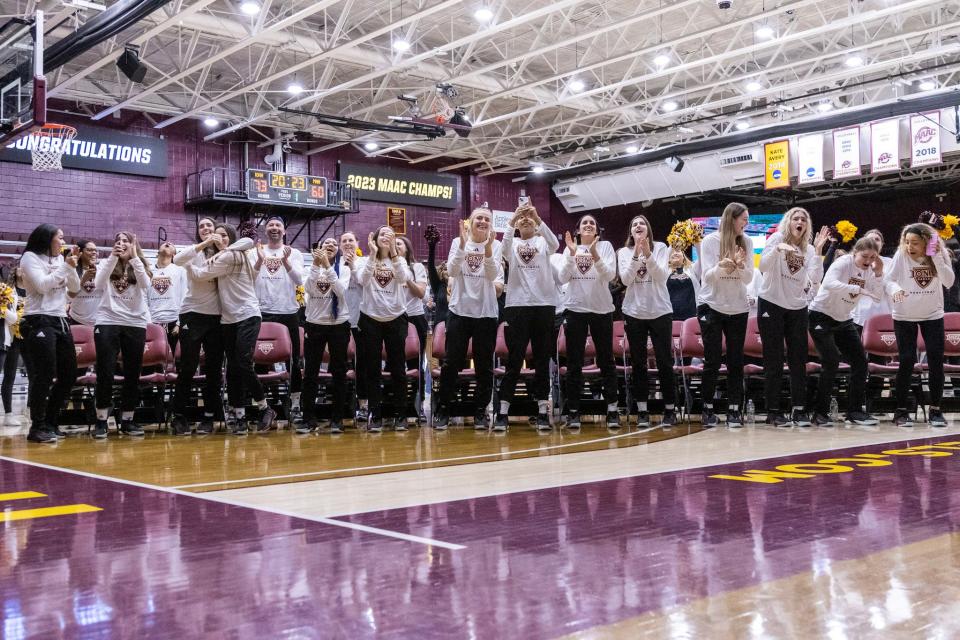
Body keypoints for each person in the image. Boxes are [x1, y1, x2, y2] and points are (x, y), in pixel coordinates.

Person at [187, 223, 276, 435]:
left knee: (243, 363)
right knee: (234, 368)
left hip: (248, 314)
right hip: (228, 319)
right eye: (216, 235)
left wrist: (188, 264)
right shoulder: (223, 256)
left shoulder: (232, 254)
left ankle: (265, 408)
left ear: (230, 238)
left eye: (224, 235)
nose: (220, 238)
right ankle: (239, 416)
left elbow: (247, 242)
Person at [433, 207, 503, 430]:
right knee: (451, 363)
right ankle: (444, 408)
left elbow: (492, 276)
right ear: (471, 222)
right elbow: (452, 271)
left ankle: (481, 411)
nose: (482, 221)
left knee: (484, 366)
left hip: (486, 314)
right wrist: (463, 245)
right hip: (459, 312)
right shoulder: (458, 241)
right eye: (479, 218)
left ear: (491, 225)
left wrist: (489, 249)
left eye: (487, 219)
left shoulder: (497, 245)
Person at [495, 203, 559, 432]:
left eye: (528, 219)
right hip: (517, 306)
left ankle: (543, 410)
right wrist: (513, 219)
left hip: (543, 305)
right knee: (514, 361)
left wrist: (537, 216)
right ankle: (502, 411)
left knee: (542, 360)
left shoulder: (543, 242)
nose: (525, 220)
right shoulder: (512, 245)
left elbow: (555, 243)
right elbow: (502, 248)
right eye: (522, 219)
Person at [756, 207, 823, 427]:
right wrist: (777, 249)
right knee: (774, 360)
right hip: (771, 303)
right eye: (796, 218)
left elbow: (814, 278)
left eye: (804, 219)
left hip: (797, 307)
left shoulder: (809, 250)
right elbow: (763, 267)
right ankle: (773, 411)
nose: (800, 221)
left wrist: (819, 252)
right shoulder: (776, 238)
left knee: (798, 360)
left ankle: (799, 409)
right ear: (788, 222)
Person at [884, 222, 955, 427]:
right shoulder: (901, 255)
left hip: (932, 314)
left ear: (926, 243)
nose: (909, 246)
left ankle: (935, 409)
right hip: (904, 315)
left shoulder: (938, 255)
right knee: (906, 360)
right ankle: (901, 411)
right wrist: (895, 289)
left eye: (914, 242)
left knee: (935, 360)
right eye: (907, 242)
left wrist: (936, 257)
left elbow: (949, 281)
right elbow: (888, 280)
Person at [808, 236, 883, 427]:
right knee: (831, 361)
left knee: (860, 362)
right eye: (865, 256)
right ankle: (820, 413)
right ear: (855, 252)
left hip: (843, 319)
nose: (868, 261)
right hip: (820, 315)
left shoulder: (870, 270)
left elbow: (877, 296)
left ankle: (855, 411)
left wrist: (879, 273)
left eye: (872, 257)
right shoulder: (843, 262)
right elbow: (829, 283)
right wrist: (857, 288)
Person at [19, 223, 81, 443]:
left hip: (60, 320)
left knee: (69, 374)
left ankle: (52, 422)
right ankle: (37, 426)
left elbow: (74, 289)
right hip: (38, 319)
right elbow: (42, 286)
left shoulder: (59, 260)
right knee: (44, 374)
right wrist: (65, 267)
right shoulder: (29, 258)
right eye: (60, 238)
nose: (63, 242)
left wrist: (71, 267)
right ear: (47, 239)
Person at [558, 214, 618, 428]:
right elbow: (562, 278)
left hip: (601, 310)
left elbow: (610, 275)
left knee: (606, 361)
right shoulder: (570, 248)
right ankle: (573, 411)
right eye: (584, 222)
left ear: (597, 231)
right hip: (575, 310)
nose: (589, 225)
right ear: (578, 230)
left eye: (592, 223)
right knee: (574, 363)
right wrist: (571, 255)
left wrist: (595, 255)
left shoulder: (606, 247)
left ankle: (612, 409)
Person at [697, 202, 754, 428]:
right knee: (712, 360)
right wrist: (723, 265)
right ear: (732, 218)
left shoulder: (747, 242)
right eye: (744, 219)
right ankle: (707, 409)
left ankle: (733, 411)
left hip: (738, 308)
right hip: (711, 305)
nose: (746, 223)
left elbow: (749, 278)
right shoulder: (711, 241)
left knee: (735, 361)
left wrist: (739, 267)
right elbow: (708, 277)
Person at [618, 215, 677, 428]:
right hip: (634, 312)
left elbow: (661, 276)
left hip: (660, 311)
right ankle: (642, 410)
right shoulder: (623, 252)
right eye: (634, 224)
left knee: (664, 362)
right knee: (639, 364)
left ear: (648, 229)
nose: (638, 226)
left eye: (642, 223)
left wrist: (648, 254)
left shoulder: (661, 248)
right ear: (631, 232)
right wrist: (636, 255)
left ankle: (670, 409)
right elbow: (625, 279)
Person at [91, 232, 152, 439]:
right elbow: (98, 284)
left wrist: (134, 258)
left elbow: (147, 286)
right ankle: (101, 420)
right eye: (118, 240)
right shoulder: (106, 263)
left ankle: (128, 419)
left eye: (126, 240)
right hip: (108, 321)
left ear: (134, 245)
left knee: (133, 373)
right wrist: (113, 257)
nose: (121, 243)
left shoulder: (140, 263)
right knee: (105, 371)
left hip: (135, 323)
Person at [171, 217, 225, 436]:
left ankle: (209, 417)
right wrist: (203, 245)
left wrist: (218, 246)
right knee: (188, 367)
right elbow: (176, 260)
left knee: (213, 369)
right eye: (202, 226)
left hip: (216, 316)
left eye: (209, 226)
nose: (205, 229)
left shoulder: (224, 254)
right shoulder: (192, 251)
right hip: (192, 314)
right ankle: (179, 416)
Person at [356, 226, 412, 432]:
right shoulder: (365, 260)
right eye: (382, 234)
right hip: (370, 319)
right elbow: (362, 280)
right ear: (375, 238)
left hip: (396, 318)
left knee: (398, 369)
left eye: (391, 234)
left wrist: (395, 254)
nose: (386, 237)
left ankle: (401, 415)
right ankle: (375, 414)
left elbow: (404, 278)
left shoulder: (400, 261)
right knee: (372, 370)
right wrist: (371, 255)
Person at [297, 238, 351, 434]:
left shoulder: (344, 268)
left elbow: (340, 291)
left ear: (338, 250)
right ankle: (308, 418)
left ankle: (337, 419)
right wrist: (316, 265)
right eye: (326, 243)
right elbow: (308, 290)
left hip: (339, 324)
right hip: (315, 324)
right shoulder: (309, 268)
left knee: (339, 372)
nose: (330, 245)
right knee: (310, 372)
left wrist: (328, 266)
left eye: (334, 244)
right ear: (319, 248)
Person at [254, 216, 305, 419]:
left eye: (278, 225)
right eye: (270, 225)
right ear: (265, 230)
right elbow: (250, 278)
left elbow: (300, 280)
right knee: (259, 361)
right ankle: (265, 407)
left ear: (284, 231)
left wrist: (285, 262)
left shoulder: (296, 253)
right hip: (262, 311)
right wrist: (258, 260)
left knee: (294, 361)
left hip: (288, 311)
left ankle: (294, 404)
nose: (274, 228)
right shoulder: (256, 252)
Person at [396, 235, 429, 418]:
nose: (395, 246)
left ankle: (419, 404)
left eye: (399, 244)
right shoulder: (387, 266)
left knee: (415, 364)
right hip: (394, 318)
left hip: (415, 319)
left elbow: (421, 294)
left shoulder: (416, 268)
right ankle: (397, 404)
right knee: (395, 364)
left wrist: (406, 277)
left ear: (407, 248)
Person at [340, 231, 368, 421]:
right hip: (340, 321)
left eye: (351, 240)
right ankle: (344, 406)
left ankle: (364, 404)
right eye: (344, 241)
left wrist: (353, 266)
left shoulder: (365, 262)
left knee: (363, 365)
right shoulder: (333, 263)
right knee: (341, 365)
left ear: (357, 242)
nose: (348, 243)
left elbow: (364, 282)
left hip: (361, 320)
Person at [148, 240, 186, 355]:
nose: (168, 242)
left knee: (176, 360)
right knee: (151, 362)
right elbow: (144, 298)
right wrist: (148, 321)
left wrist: (179, 323)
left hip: (173, 321)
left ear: (174, 255)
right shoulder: (149, 271)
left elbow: (185, 296)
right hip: (153, 321)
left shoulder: (180, 270)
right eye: (164, 244)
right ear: (157, 253)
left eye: (171, 245)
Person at [0, 265, 22, 426]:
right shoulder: (6, 291)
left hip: (10, 339)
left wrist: (3, 311)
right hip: (4, 339)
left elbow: (13, 318)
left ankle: (8, 414)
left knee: (10, 376)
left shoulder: (8, 292)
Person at [67, 240, 101, 326]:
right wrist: (83, 280)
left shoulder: (102, 270)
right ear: (80, 252)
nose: (94, 253)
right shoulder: (72, 271)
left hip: (99, 321)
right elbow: (69, 297)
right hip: (76, 319)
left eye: (95, 250)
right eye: (89, 250)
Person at [666, 248, 699, 321]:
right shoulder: (664, 271)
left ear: (683, 256)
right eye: (672, 252)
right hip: (669, 316)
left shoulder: (692, 269)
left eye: (678, 251)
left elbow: (701, 258)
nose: (675, 253)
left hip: (691, 315)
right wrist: (673, 241)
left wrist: (695, 239)